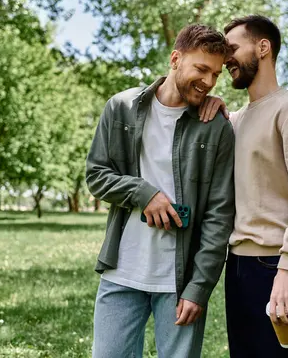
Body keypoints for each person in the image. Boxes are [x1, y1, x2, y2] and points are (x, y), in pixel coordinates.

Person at [86, 24, 235, 358]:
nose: (209, 82)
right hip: (121, 272)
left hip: (180, 283)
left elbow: (219, 215)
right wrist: (143, 193)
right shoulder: (121, 107)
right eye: (201, 69)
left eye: (216, 74)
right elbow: (96, 175)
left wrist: (199, 288)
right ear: (175, 59)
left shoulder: (216, 128)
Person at [199, 15, 288, 357]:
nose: (226, 57)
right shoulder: (236, 120)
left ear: (263, 47)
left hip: (276, 265)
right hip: (238, 266)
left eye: (233, 48)